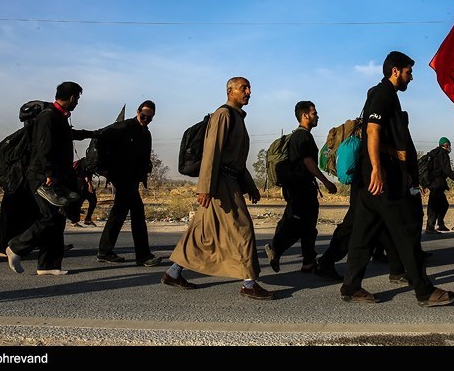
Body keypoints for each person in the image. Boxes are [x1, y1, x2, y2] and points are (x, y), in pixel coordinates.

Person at [340, 51, 454, 306]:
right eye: (408, 72)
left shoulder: (379, 93)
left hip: (369, 182)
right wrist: (377, 168)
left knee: (362, 234)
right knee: (407, 232)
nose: (411, 77)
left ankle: (350, 286)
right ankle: (424, 291)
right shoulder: (384, 94)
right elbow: (372, 130)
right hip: (383, 179)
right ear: (395, 71)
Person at [162, 77, 273, 300]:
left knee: (201, 231)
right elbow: (212, 153)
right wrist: (204, 188)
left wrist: (250, 187)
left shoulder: (238, 118)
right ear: (230, 91)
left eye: (249, 87)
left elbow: (238, 160)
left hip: (227, 180)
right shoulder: (224, 115)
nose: (249, 91)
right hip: (221, 184)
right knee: (243, 229)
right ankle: (249, 284)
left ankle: (173, 273)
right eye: (244, 88)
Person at [5, 82, 98, 276]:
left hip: (54, 175)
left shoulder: (59, 117)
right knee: (48, 217)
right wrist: (49, 174)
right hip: (42, 177)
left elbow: (69, 135)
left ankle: (48, 265)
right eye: (78, 99)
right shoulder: (48, 116)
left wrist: (93, 134)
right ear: (72, 97)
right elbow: (43, 147)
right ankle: (15, 247)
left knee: (57, 219)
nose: (77, 103)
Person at [265, 101, 337, 275]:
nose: (317, 116)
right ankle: (275, 248)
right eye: (314, 113)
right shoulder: (302, 136)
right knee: (296, 223)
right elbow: (308, 161)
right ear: (305, 115)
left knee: (309, 226)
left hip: (301, 187)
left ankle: (308, 261)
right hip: (300, 187)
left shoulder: (300, 136)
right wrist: (325, 182)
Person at [96, 100, 162, 267]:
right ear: (138, 111)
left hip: (133, 179)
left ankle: (104, 251)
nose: (146, 119)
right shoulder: (124, 127)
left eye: (150, 118)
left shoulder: (146, 133)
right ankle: (143, 255)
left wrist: (147, 166)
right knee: (138, 215)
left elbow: (144, 155)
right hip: (121, 177)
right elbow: (102, 138)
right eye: (144, 115)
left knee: (118, 214)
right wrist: (104, 166)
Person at [424, 137, 454, 234]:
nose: (449, 148)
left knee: (442, 205)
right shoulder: (443, 154)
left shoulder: (433, 153)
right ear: (446, 145)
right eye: (449, 145)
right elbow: (447, 171)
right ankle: (430, 227)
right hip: (437, 185)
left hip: (432, 184)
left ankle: (440, 224)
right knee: (434, 207)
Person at [66, 157, 98, 227]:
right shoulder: (87, 162)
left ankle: (87, 219)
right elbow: (86, 176)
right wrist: (90, 185)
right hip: (82, 186)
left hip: (82, 185)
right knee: (79, 203)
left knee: (91, 201)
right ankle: (74, 221)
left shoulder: (88, 161)